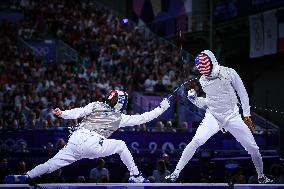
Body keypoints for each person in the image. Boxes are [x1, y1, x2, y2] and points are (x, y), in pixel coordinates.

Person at [6, 90, 170, 184]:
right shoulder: (120, 118)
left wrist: (62, 113)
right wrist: (162, 108)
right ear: (121, 104)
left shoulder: (95, 105)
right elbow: (144, 118)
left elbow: (78, 111)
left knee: (51, 164)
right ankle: (135, 176)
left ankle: (26, 176)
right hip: (92, 142)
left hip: (75, 140)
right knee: (120, 145)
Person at [165, 50, 272, 184]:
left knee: (253, 148)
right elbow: (209, 102)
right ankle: (175, 173)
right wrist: (194, 99)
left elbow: (243, 93)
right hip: (213, 116)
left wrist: (247, 115)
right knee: (196, 141)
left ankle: (261, 176)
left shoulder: (229, 72)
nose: (207, 74)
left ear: (213, 62)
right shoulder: (203, 80)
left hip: (232, 116)